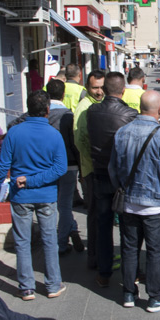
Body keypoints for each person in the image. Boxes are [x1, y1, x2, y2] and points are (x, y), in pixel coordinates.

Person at [109, 90, 160, 312]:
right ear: (159, 110)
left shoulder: (122, 133)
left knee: (130, 248)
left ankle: (129, 293)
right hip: (156, 204)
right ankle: (156, 296)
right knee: (155, 251)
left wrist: (122, 189)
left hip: (128, 203)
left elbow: (113, 168)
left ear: (140, 107)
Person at [0, 90, 67, 300]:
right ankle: (53, 285)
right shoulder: (54, 134)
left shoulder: (14, 133)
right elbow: (60, 168)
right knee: (50, 239)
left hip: (19, 195)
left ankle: (26, 287)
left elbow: (3, 164)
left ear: (27, 108)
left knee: (22, 241)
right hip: (46, 195)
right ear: (47, 110)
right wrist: (34, 180)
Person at [87, 72, 137, 287]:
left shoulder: (91, 111)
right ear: (123, 90)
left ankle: (104, 272)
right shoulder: (130, 114)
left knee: (103, 224)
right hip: (123, 178)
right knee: (128, 227)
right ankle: (131, 273)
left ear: (104, 90)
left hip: (99, 173)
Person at [45, 80, 84, 256]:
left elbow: (13, 124)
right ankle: (62, 242)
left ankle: (71, 230)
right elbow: (75, 143)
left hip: (46, 166)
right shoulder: (68, 115)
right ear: (63, 95)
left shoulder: (40, 115)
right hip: (69, 165)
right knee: (65, 205)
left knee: (52, 205)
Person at [73, 70, 105, 269]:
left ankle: (100, 254)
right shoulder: (84, 108)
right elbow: (80, 141)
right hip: (93, 171)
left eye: (102, 87)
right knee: (95, 215)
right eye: (95, 87)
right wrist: (95, 163)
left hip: (98, 169)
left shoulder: (97, 104)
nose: (99, 91)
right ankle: (94, 257)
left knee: (101, 216)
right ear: (87, 87)